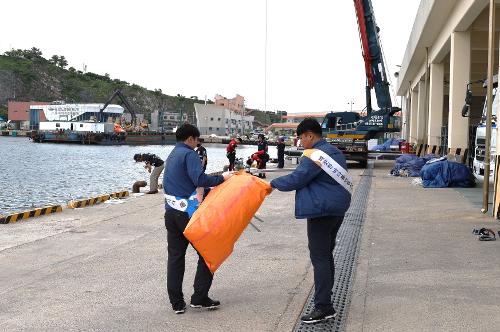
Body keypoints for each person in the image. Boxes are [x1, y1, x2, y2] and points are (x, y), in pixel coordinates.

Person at [270, 118, 352, 324]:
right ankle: (327, 299)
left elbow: (297, 179)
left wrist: (271, 184)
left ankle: (324, 307)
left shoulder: (315, 155)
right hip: (337, 210)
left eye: (301, 138)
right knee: (326, 255)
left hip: (321, 211)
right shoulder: (335, 152)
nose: (301, 143)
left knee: (320, 257)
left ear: (309, 135)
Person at [163, 123, 233, 315]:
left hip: (171, 213)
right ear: (191, 139)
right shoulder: (190, 154)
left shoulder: (173, 154)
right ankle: (199, 297)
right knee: (209, 252)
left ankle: (176, 303)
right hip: (188, 215)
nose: (197, 143)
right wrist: (223, 178)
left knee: (176, 258)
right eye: (197, 140)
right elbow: (199, 179)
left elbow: (179, 182)